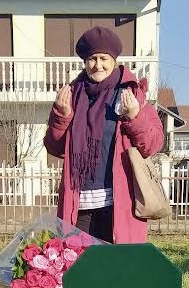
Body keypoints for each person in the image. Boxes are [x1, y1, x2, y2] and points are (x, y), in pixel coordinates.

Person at [43, 26, 164, 244]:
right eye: (92, 59)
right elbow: (54, 147)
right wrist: (62, 115)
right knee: (79, 263)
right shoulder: (71, 95)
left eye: (103, 58)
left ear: (114, 61)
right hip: (78, 206)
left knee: (116, 264)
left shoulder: (131, 93)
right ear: (85, 62)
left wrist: (135, 116)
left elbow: (152, 144)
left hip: (119, 205)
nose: (97, 65)